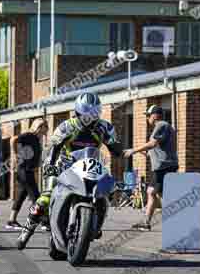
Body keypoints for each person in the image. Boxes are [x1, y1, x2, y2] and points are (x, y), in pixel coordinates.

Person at [17, 92, 123, 247]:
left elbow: (116, 150)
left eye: (93, 113)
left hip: (91, 166)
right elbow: (54, 147)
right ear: (78, 111)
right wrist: (50, 166)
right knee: (45, 197)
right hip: (65, 165)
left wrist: (115, 145)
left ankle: (95, 223)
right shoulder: (67, 126)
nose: (89, 118)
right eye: (86, 113)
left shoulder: (105, 127)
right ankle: (27, 229)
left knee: (105, 192)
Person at [124, 104, 179, 231]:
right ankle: (146, 222)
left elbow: (153, 143)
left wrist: (133, 150)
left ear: (155, 116)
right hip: (163, 166)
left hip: (165, 166)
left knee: (160, 194)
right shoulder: (162, 127)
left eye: (148, 115)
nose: (147, 118)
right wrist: (139, 152)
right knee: (152, 192)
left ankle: (174, 222)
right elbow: (156, 149)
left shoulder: (162, 125)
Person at [6, 118, 48, 230]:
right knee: (36, 198)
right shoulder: (29, 135)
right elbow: (13, 139)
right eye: (45, 127)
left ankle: (11, 220)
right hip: (24, 170)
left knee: (20, 196)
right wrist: (15, 155)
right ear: (38, 127)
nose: (46, 130)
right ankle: (44, 222)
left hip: (26, 170)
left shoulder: (36, 139)